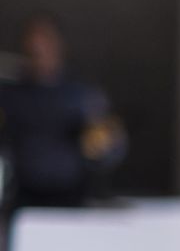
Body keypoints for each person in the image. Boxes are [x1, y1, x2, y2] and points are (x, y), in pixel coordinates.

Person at [0, 12, 124, 210]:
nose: (39, 51)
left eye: (45, 44)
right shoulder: (11, 96)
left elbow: (109, 147)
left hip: (71, 197)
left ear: (58, 46)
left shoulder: (81, 95)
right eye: (33, 48)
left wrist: (101, 143)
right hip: (25, 196)